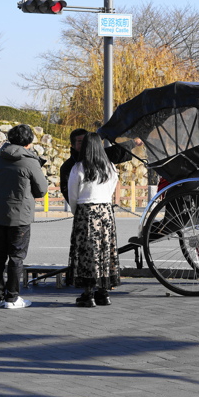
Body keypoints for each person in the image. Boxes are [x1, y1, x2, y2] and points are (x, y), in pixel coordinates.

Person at [0, 124, 48, 310]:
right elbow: (41, 190)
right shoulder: (30, 161)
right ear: (29, 142)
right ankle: (12, 298)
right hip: (20, 216)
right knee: (16, 257)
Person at [67, 132, 121, 308]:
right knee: (105, 251)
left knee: (87, 253)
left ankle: (88, 294)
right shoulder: (110, 167)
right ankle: (103, 292)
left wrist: (77, 212)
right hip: (105, 211)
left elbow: (72, 195)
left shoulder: (79, 168)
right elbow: (113, 188)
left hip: (86, 212)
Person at [59, 128, 140, 211]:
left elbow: (116, 151)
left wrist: (133, 143)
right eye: (80, 142)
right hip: (85, 209)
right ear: (73, 145)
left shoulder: (103, 160)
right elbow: (68, 192)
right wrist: (77, 209)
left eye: (86, 141)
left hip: (102, 206)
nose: (84, 145)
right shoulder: (69, 167)